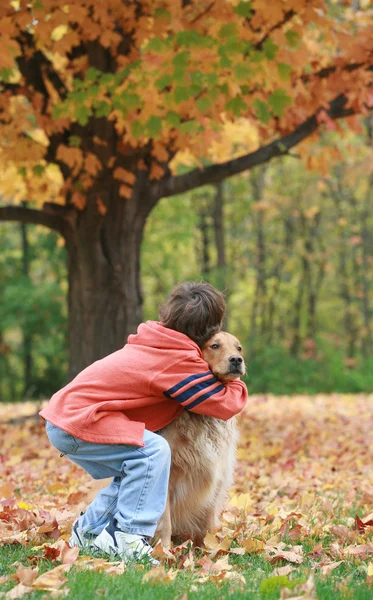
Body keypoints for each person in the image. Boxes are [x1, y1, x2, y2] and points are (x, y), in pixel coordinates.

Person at [40, 281, 248, 563]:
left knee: (137, 469)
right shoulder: (176, 359)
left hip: (67, 416)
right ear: (205, 329)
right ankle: (129, 537)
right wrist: (237, 387)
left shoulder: (158, 339)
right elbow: (223, 404)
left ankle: (87, 532)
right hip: (79, 420)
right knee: (154, 451)